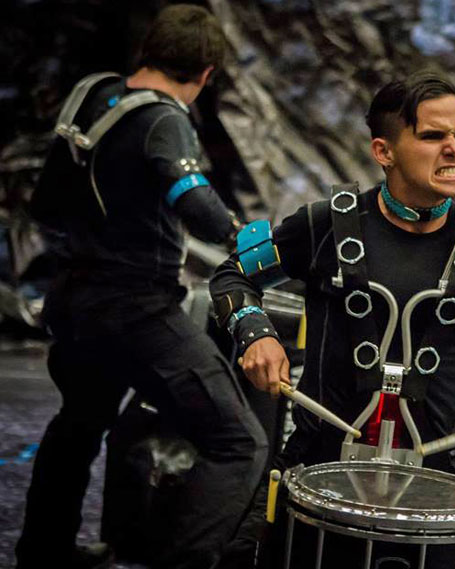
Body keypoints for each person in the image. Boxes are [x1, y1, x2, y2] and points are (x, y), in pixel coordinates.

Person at [210, 70, 455, 568]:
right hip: (315, 469)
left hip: (434, 483)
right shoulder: (323, 226)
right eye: (433, 136)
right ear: (384, 152)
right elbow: (232, 276)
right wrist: (256, 333)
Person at [17, 5, 268, 569]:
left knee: (79, 422)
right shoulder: (165, 119)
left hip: (73, 299)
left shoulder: (91, 94)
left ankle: (41, 555)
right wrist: (250, 240)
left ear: (146, 51)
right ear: (206, 74)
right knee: (239, 442)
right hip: (135, 308)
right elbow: (196, 205)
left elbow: (43, 202)